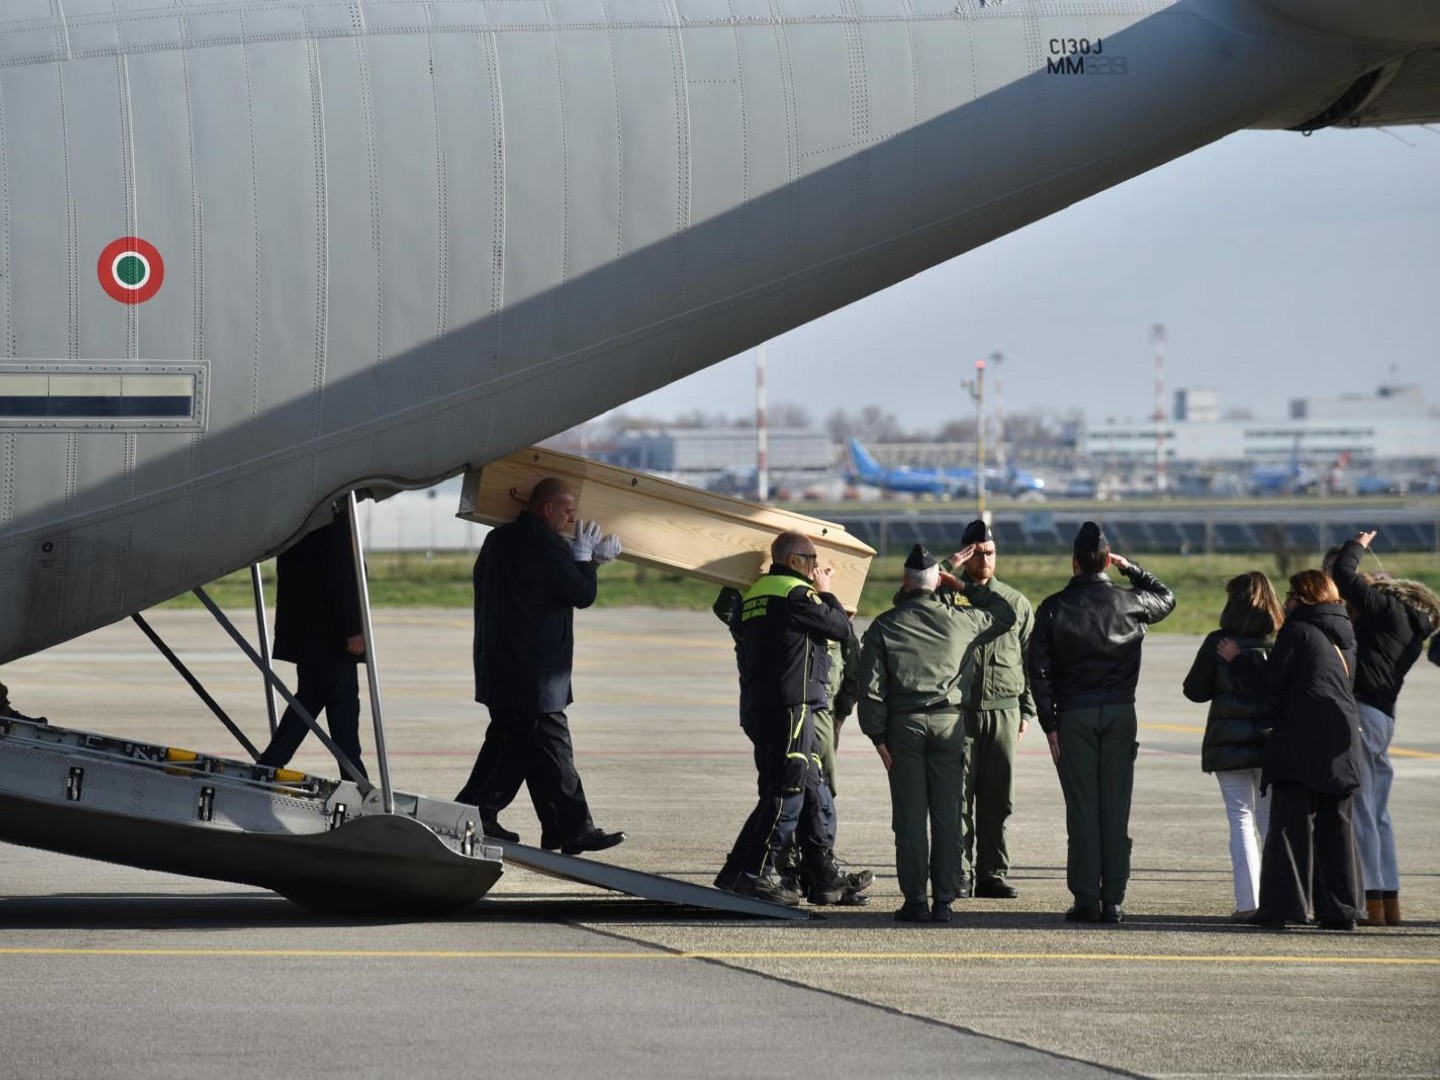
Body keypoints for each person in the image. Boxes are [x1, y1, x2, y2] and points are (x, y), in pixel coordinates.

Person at [455, 477, 625, 856]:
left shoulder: (499, 539)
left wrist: (581, 558)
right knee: (552, 748)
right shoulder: (543, 547)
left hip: (500, 667)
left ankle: (481, 812)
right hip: (533, 673)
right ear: (546, 508)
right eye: (567, 511)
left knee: (512, 745)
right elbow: (581, 594)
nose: (572, 518)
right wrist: (588, 562)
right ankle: (574, 829)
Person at [857, 543, 1016, 923]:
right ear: (937, 581)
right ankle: (944, 899)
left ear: (904, 582)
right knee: (947, 815)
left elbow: (871, 689)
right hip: (949, 725)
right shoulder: (961, 620)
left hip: (903, 728)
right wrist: (963, 587)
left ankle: (915, 900)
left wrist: (877, 737)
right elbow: (1005, 614)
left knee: (910, 819)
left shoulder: (885, 625)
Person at [1027, 521, 1175, 924]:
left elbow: (1037, 670)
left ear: (1074, 563)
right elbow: (1167, 597)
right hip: (1119, 710)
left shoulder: (1054, 607)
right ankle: (1114, 899)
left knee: (1082, 809)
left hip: (1073, 713)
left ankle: (1087, 898)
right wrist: (1132, 568)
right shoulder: (1132, 602)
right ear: (1107, 561)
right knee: (1115, 808)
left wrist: (1048, 723)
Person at [715, 531, 857, 906]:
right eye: (812, 559)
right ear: (793, 561)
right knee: (787, 792)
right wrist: (826, 592)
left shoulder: (755, 595)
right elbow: (841, 628)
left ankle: (807, 875)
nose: (816, 566)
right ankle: (753, 874)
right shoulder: (797, 593)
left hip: (759, 705)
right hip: (791, 706)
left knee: (806, 788)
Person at [1218, 569, 1364, 930]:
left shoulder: (1297, 630)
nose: (1286, 601)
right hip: (1342, 741)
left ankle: (1283, 908)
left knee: (1289, 826)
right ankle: (1342, 909)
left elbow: (1271, 683)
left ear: (1305, 598)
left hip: (1301, 741)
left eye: (1292, 595)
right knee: (1337, 828)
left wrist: (1240, 659)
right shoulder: (1345, 634)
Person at [1326, 531, 1439, 926]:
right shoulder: (1414, 627)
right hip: (1385, 718)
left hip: (1363, 714)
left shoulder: (1388, 612)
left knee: (1360, 810)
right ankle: (1388, 901)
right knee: (1380, 813)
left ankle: (1370, 900)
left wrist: (1356, 544)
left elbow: (1343, 572)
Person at [1182, 572, 1283, 919]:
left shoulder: (1218, 641)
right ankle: (1275, 899)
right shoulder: (1283, 638)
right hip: (1274, 744)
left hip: (1228, 745)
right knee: (1270, 821)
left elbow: (1195, 691)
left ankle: (1247, 902)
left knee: (1240, 819)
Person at [950, 520, 1036, 900]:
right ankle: (959, 874)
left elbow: (1032, 662)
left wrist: (1027, 712)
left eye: (991, 552)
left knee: (998, 799)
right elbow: (908, 598)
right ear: (966, 555)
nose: (986, 559)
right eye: (978, 553)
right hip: (961, 711)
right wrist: (948, 566)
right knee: (958, 798)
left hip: (1003, 711)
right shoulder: (948, 596)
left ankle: (992, 874)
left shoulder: (1016, 603)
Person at [257, 509, 369, 778]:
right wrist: (353, 628)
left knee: (310, 699)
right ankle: (354, 777)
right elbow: (339, 575)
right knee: (342, 707)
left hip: (307, 632)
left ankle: (271, 764)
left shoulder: (300, 515)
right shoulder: (331, 515)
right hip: (329, 636)